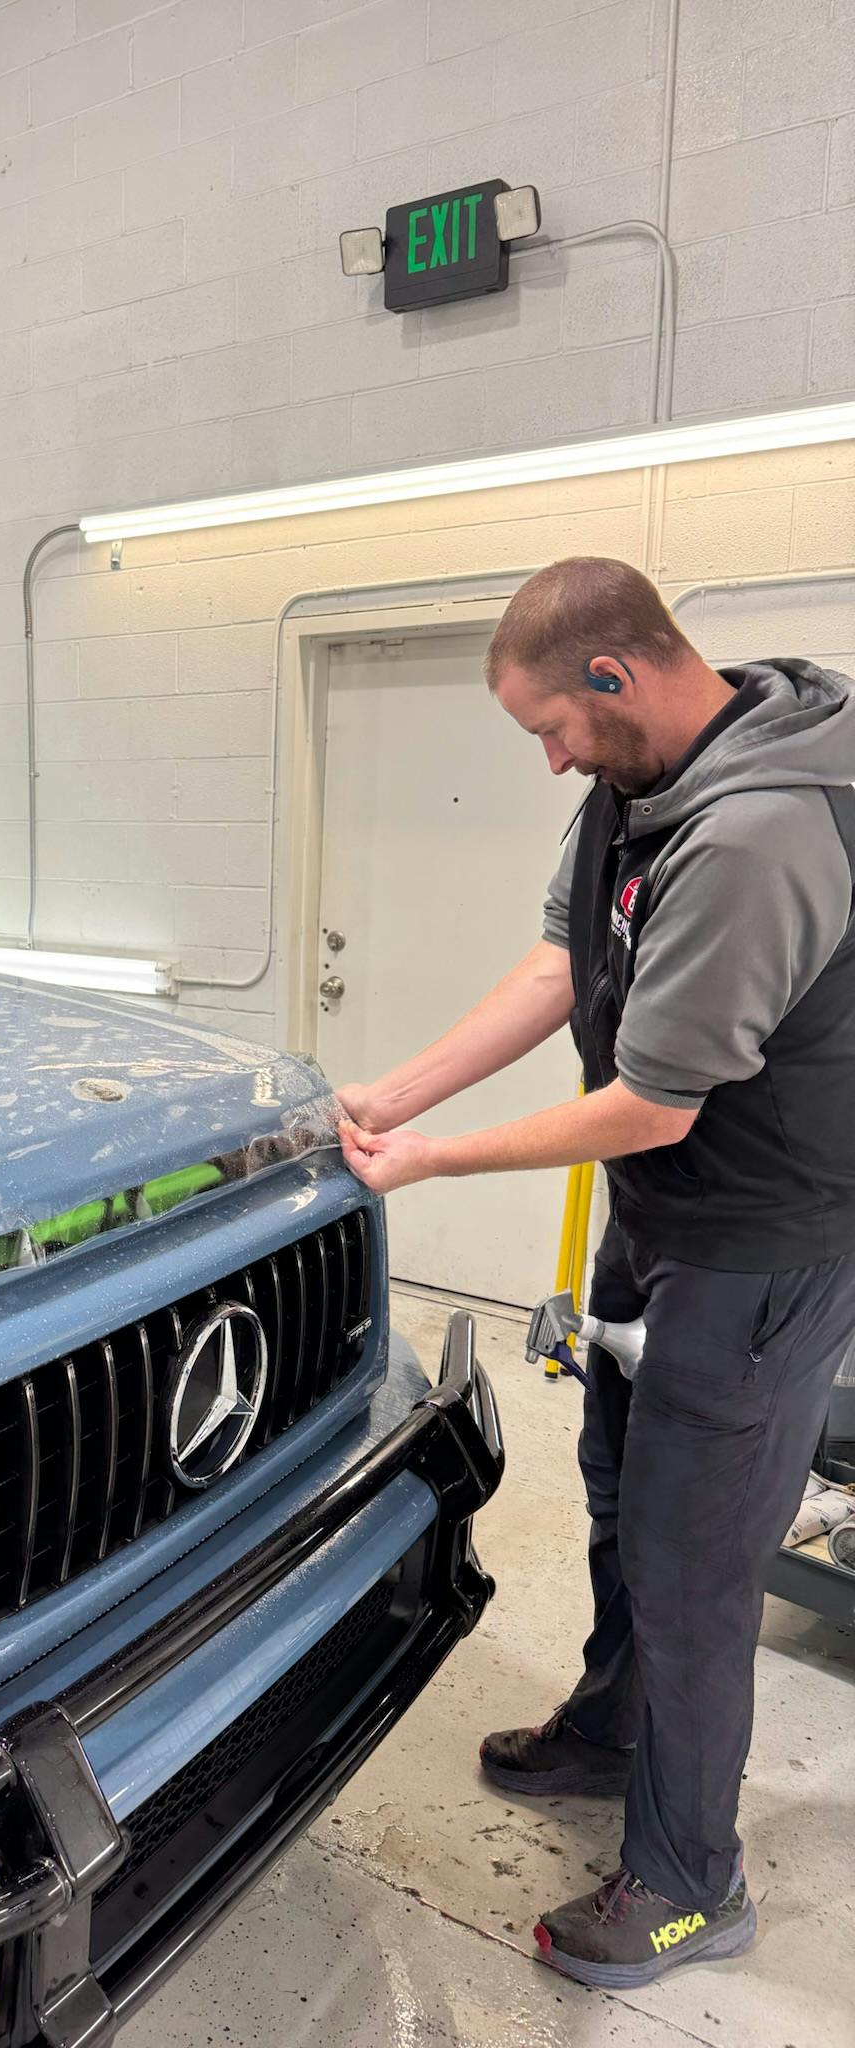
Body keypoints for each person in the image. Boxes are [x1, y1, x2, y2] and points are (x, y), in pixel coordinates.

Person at [335, 556, 855, 1989]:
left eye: (552, 728)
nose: (551, 759)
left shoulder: (761, 831)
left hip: (758, 1248)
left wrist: (434, 1162)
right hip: (662, 1222)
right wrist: (393, 1092)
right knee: (624, 1493)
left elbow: (653, 1100)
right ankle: (614, 1728)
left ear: (618, 677)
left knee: (697, 1571)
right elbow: (565, 964)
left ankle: (694, 1883)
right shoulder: (637, 791)